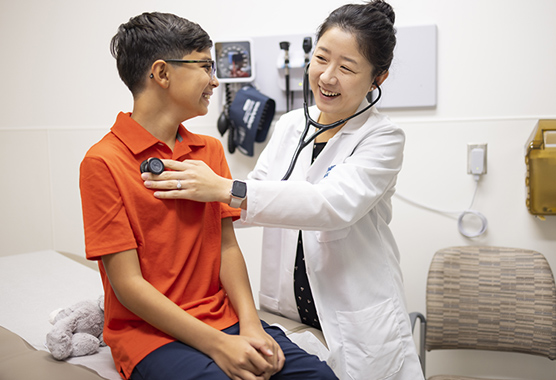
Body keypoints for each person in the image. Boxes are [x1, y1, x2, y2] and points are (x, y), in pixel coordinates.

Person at [141, 2, 425, 379]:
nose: (327, 76)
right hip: (289, 315)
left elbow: (329, 205)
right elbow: (252, 197)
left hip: (357, 322)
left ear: (378, 78)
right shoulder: (293, 125)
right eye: (321, 58)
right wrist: (179, 202)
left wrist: (222, 188)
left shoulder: (383, 138)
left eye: (347, 68)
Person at [79, 12, 337, 380]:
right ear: (162, 73)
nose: (215, 81)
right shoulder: (103, 162)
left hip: (225, 319)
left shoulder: (208, 152)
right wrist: (218, 346)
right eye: (205, 67)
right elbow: (128, 286)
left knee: (319, 376)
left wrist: (250, 326)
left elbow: (226, 248)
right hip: (151, 337)